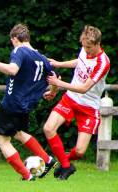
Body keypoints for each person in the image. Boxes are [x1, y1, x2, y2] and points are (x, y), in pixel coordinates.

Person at [0, 23, 58, 181]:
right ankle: (48, 161)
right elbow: (55, 78)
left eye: (11, 40)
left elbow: (12, 69)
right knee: (20, 134)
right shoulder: (41, 57)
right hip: (26, 105)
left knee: (2, 140)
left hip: (12, 103)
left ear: (15, 39)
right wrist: (53, 92)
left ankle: (27, 175)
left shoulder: (19, 50)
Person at [43, 25, 110, 180]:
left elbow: (84, 88)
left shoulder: (103, 62)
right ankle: (66, 166)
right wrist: (59, 63)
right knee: (48, 128)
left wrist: (58, 83)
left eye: (88, 47)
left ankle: (64, 161)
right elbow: (79, 62)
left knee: (79, 152)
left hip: (89, 107)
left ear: (98, 44)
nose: (85, 50)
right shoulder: (84, 49)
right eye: (83, 46)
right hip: (70, 99)